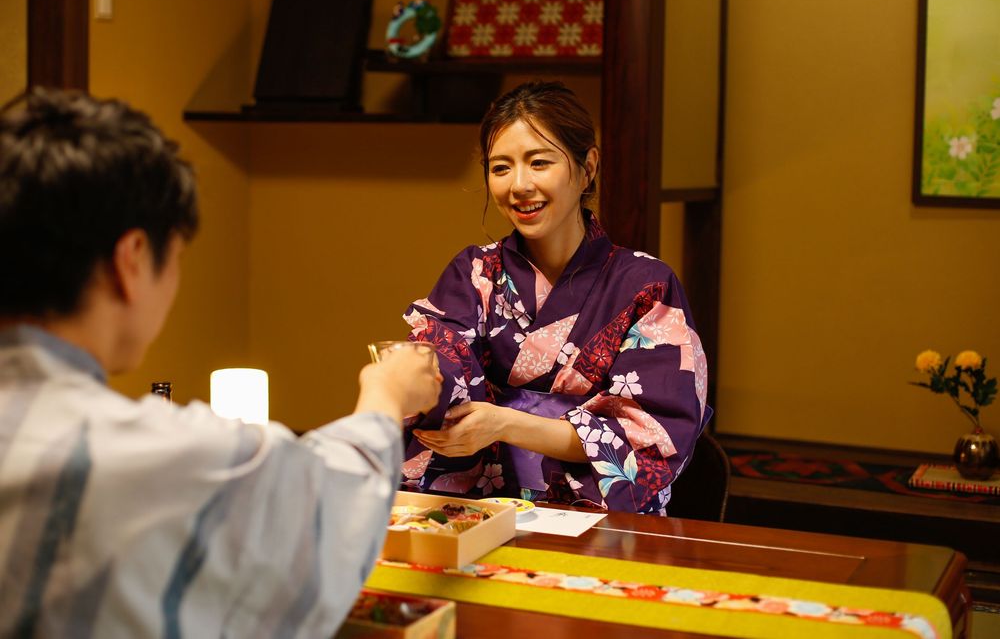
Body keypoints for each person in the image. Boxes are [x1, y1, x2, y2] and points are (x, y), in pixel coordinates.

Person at [0, 88, 441, 638]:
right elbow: (328, 508)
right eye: (177, 257)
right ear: (132, 259)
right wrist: (385, 394)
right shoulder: (155, 453)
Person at [401, 81, 710, 515]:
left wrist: (505, 423)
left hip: (594, 510)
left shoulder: (646, 285)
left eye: (539, 162)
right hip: (482, 503)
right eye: (501, 167)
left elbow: (652, 430)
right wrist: (408, 378)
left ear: (587, 168)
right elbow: (444, 359)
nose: (519, 185)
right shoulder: (474, 274)